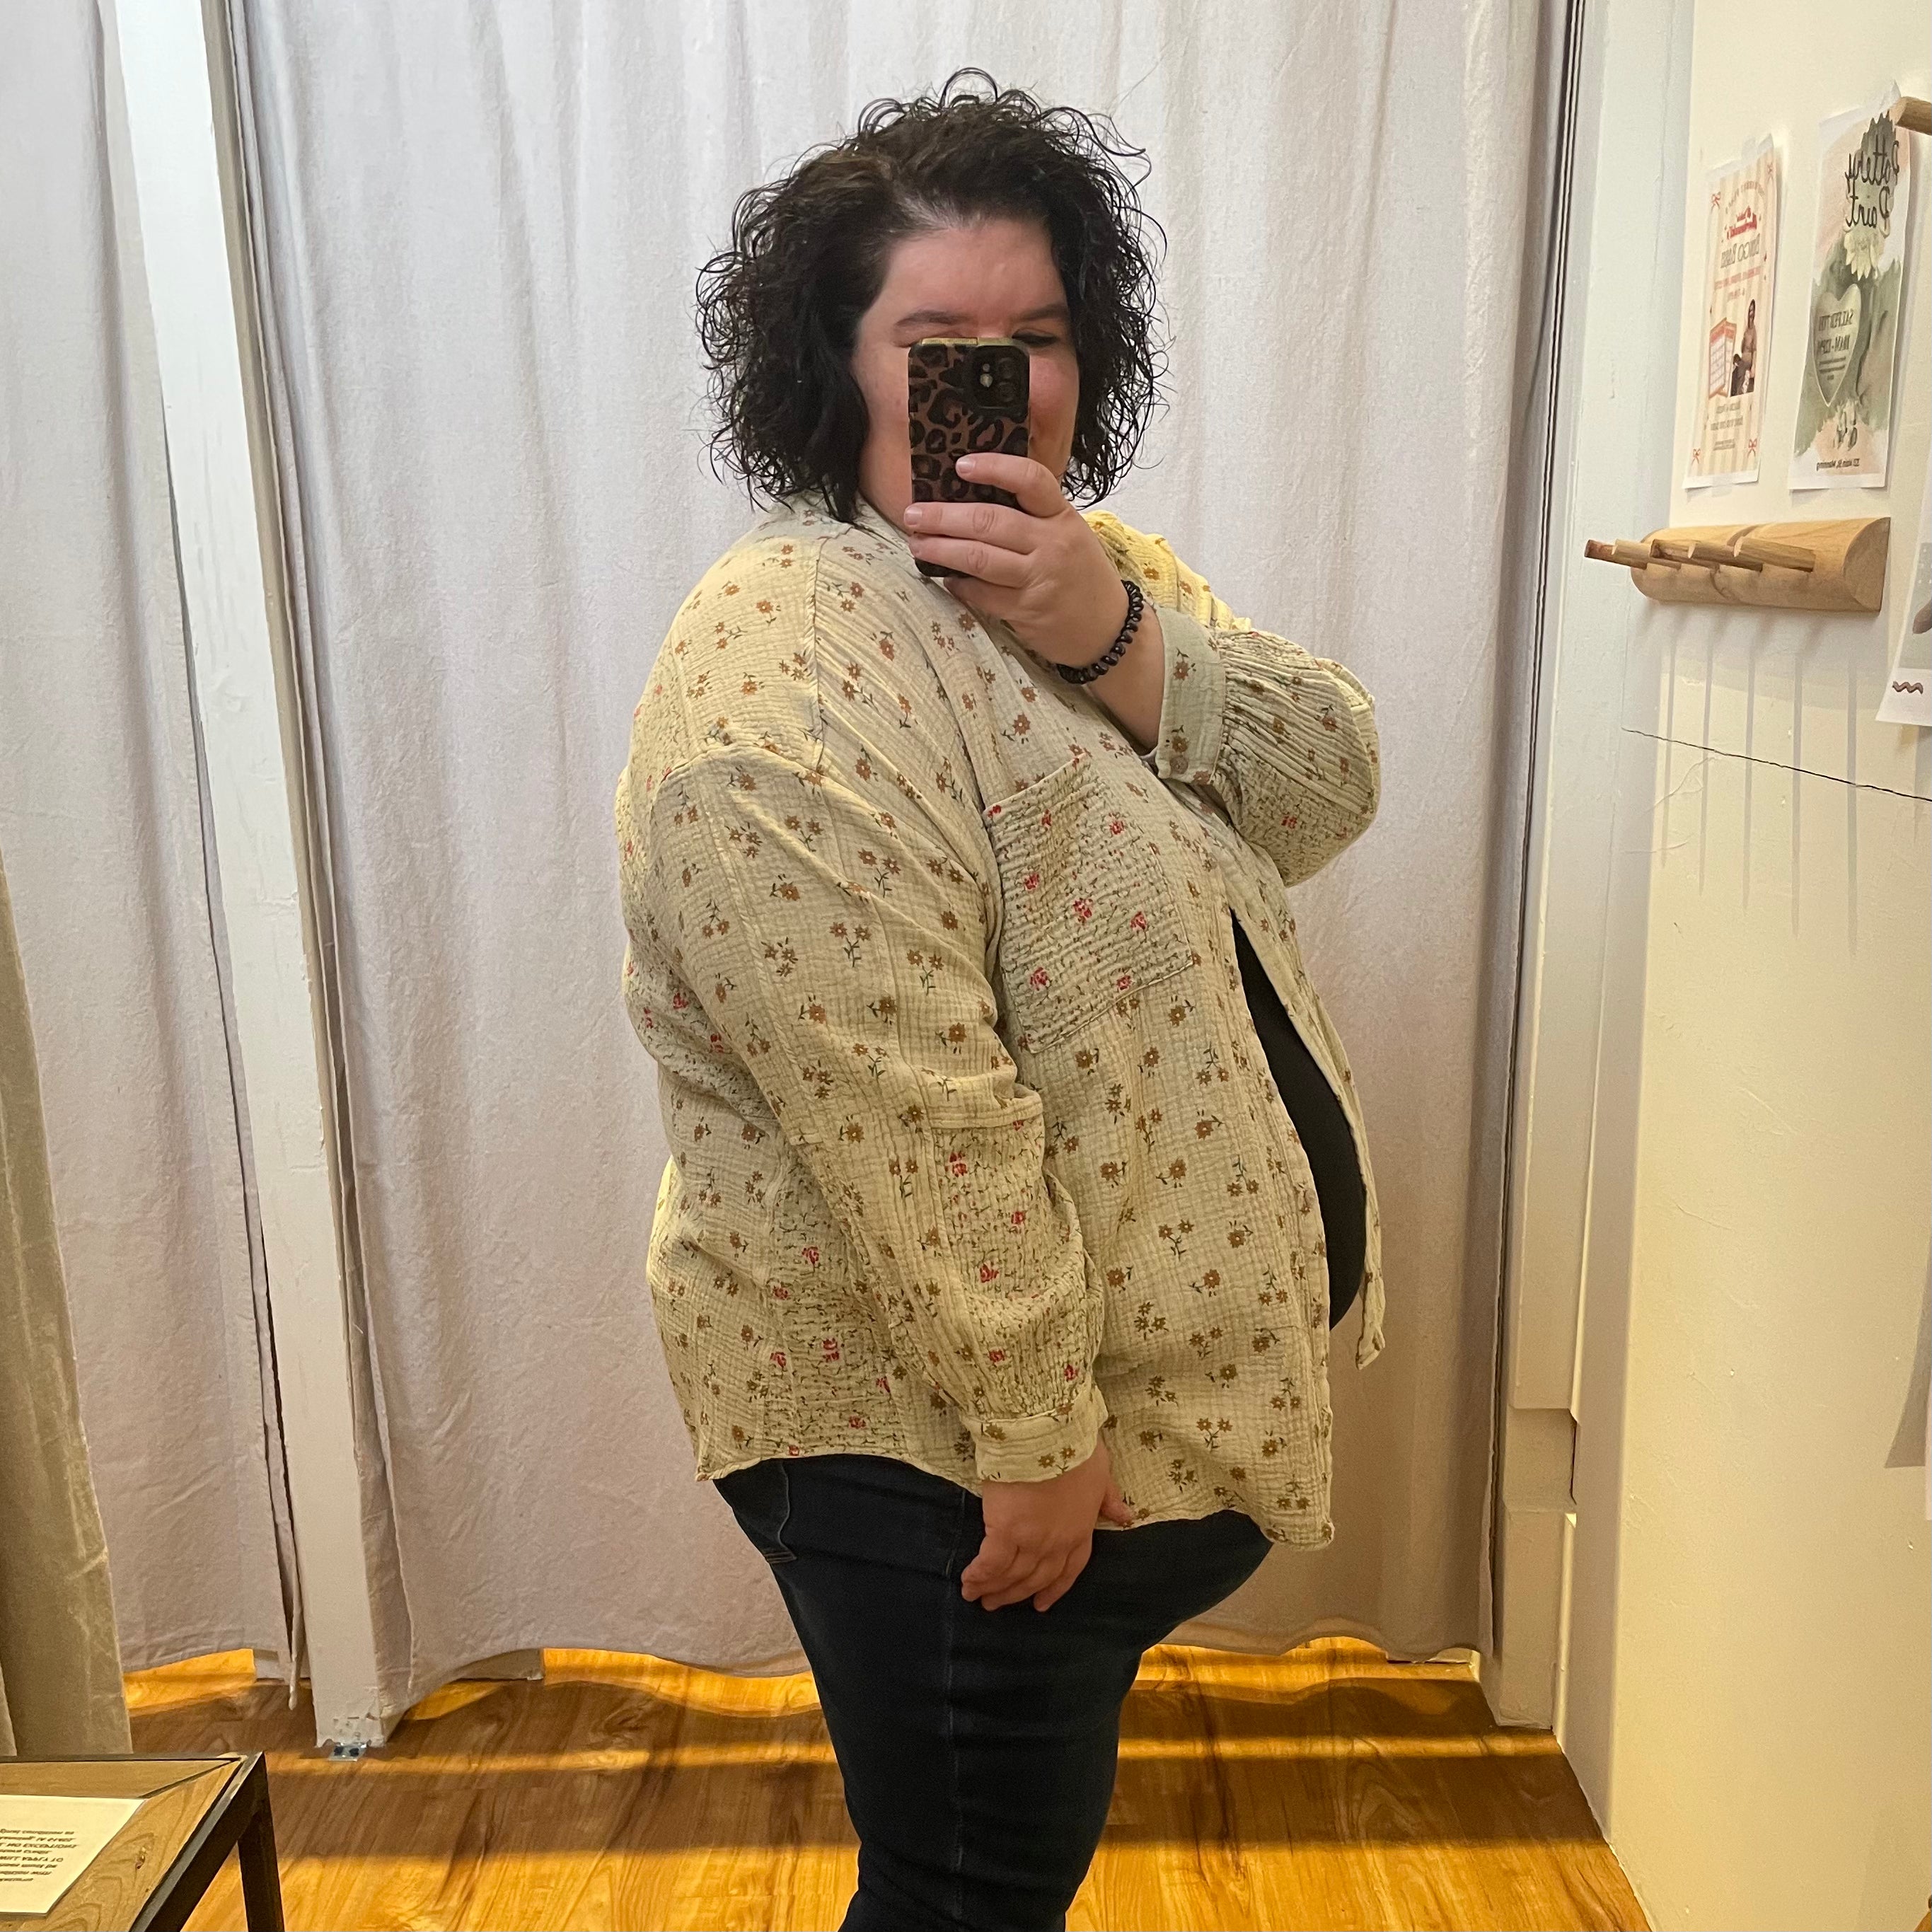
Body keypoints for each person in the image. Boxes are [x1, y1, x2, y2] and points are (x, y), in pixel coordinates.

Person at [615, 71, 1385, 1932]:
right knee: (964, 1892)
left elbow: (1325, 784)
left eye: (1036, 338)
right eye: (937, 344)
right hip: (940, 1454)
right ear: (834, 368)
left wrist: (1107, 632)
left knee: (990, 1874)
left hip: (1058, 1439)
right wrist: (1034, 1446)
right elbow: (909, 1107)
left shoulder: (1094, 575)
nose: (1000, 384)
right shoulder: (785, 660)